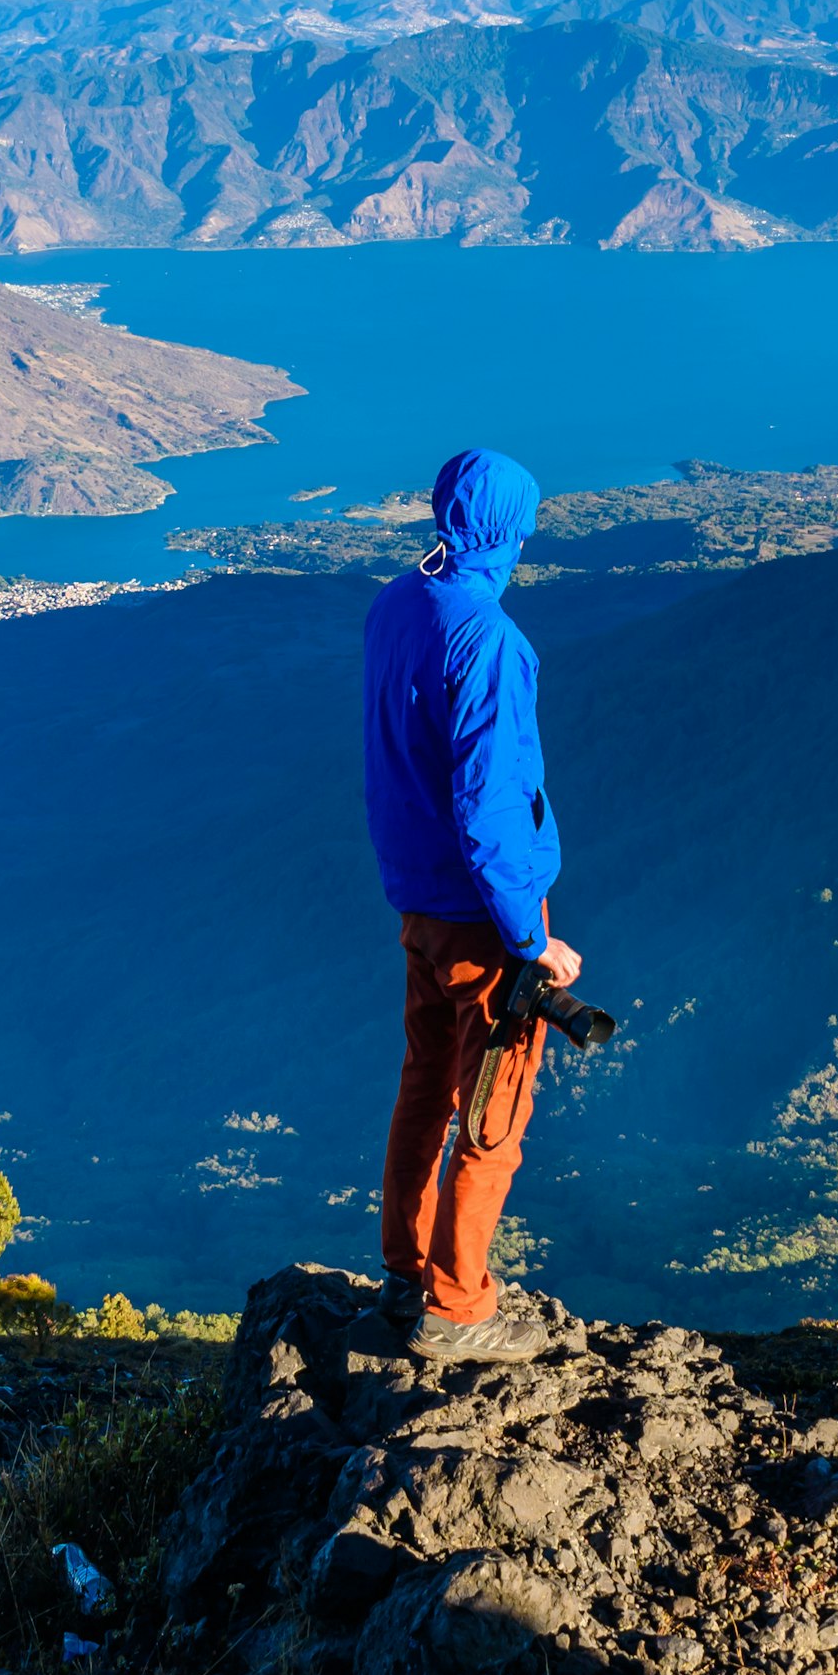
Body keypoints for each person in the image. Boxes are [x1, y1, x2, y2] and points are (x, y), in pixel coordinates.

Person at [364, 446, 578, 1360]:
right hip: (483, 920)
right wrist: (532, 940)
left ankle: (405, 1270)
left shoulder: (397, 605)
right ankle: (456, 1309)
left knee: (423, 1087)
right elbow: (489, 808)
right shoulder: (487, 639)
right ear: (510, 530)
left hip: (417, 904)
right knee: (494, 1112)